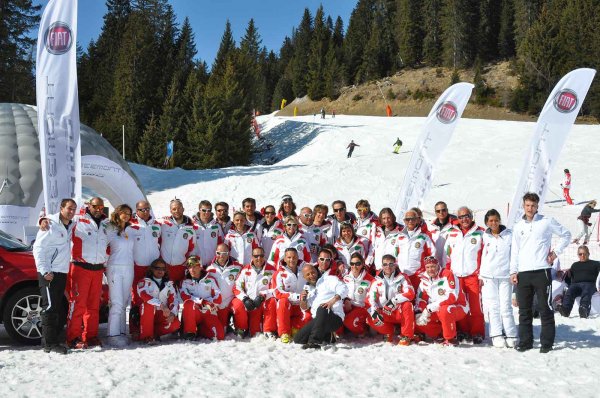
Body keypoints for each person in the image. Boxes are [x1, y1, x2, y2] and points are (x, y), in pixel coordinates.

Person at [510, 192, 571, 353]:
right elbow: (514, 251)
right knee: (524, 310)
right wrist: (513, 272)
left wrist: (555, 253)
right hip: (523, 273)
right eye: (527, 205)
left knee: (545, 308)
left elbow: (566, 235)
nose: (530, 208)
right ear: (523, 206)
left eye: (533, 205)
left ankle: (546, 343)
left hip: (542, 271)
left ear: (537, 206)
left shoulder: (546, 221)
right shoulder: (518, 226)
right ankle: (525, 342)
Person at [33, 198, 77, 354]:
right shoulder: (50, 224)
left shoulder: (70, 224)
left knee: (56, 307)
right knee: (49, 307)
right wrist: (45, 270)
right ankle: (50, 344)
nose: (71, 212)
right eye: (69, 208)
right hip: (49, 272)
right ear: (61, 208)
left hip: (61, 271)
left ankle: (49, 341)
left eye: (74, 209)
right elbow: (38, 248)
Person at [65, 197, 110, 349]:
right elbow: (59, 220)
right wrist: (44, 220)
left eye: (101, 207)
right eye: (95, 206)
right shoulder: (77, 219)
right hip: (80, 268)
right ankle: (73, 337)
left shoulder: (106, 224)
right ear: (89, 205)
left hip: (97, 270)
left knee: (93, 306)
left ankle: (90, 336)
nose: (99, 209)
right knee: (78, 304)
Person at [442, 206, 485, 344]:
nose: (464, 219)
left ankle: (477, 332)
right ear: (457, 219)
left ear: (471, 216)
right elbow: (447, 255)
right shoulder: (452, 233)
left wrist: (481, 274)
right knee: (460, 305)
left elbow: (485, 256)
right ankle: (463, 330)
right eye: (461, 217)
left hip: (472, 275)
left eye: (466, 215)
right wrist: (447, 273)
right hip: (456, 276)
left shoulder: (480, 233)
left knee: (475, 306)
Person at [480, 209, 517, 348]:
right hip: (489, 277)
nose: (494, 223)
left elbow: (514, 255)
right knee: (493, 306)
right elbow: (481, 256)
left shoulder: (509, 235)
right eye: (491, 221)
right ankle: (496, 334)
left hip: (505, 276)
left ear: (500, 220)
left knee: (506, 306)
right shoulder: (484, 236)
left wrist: (514, 272)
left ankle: (511, 334)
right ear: (486, 222)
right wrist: (481, 274)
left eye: (496, 220)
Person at [414, 256, 468, 346]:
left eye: (432, 266)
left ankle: (450, 339)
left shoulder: (447, 274)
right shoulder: (424, 279)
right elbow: (421, 298)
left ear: (437, 265)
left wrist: (429, 308)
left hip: (458, 306)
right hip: (436, 309)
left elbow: (452, 297)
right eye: (427, 267)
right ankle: (439, 334)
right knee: (418, 319)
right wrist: (419, 312)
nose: (430, 269)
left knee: (445, 310)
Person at [294, 264, 348, 349]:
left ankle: (314, 342)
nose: (311, 276)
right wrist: (303, 299)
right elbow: (304, 307)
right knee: (298, 339)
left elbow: (344, 288)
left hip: (334, 318)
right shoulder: (308, 289)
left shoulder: (328, 279)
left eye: (313, 272)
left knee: (322, 307)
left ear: (316, 271)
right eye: (308, 274)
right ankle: (328, 336)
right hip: (319, 321)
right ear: (304, 277)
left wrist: (331, 302)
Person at [366, 254, 416, 345]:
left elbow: (410, 293)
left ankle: (406, 336)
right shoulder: (377, 280)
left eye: (390, 264)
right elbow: (370, 298)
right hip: (384, 312)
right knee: (370, 317)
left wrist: (393, 301)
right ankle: (389, 332)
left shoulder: (402, 277)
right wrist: (374, 310)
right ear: (382, 266)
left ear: (395, 265)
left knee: (408, 305)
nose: (388, 267)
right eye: (385, 264)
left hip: (398, 312)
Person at [105, 204, 135, 346]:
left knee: (124, 301)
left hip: (128, 267)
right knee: (116, 302)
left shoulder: (128, 229)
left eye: (129, 213)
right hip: (115, 268)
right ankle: (113, 334)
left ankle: (122, 332)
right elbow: (101, 245)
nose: (126, 215)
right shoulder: (109, 228)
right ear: (117, 213)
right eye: (124, 212)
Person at [231, 247, 278, 338]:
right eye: (256, 256)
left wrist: (263, 296)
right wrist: (245, 299)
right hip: (249, 303)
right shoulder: (245, 270)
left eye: (261, 256)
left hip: (263, 302)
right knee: (237, 304)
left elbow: (275, 289)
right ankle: (241, 328)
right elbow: (237, 287)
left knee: (272, 301)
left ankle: (269, 330)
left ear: (264, 256)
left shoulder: (272, 270)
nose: (259, 258)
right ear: (252, 257)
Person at [179, 256, 224, 341]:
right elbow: (185, 296)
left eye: (195, 266)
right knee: (188, 304)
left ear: (200, 267)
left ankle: (200, 330)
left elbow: (218, 297)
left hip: (208, 311)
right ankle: (190, 332)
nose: (192, 270)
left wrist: (208, 303)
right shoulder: (185, 281)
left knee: (219, 336)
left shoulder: (210, 279)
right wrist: (203, 301)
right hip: (194, 311)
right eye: (189, 267)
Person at [136, 258, 181, 344]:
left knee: (176, 324)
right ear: (152, 269)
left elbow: (174, 300)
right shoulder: (144, 282)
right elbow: (144, 295)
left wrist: (172, 313)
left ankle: (154, 333)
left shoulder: (169, 284)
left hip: (162, 313)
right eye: (157, 268)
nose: (160, 271)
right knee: (147, 305)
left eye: (163, 269)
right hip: (147, 314)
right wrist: (160, 305)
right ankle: (147, 336)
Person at [272, 248, 311, 343]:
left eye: (294, 257)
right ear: (284, 259)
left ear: (298, 258)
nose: (291, 260)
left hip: (302, 305)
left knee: (311, 315)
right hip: (287, 306)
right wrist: (297, 296)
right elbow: (277, 292)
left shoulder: (305, 269)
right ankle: (284, 333)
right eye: (289, 257)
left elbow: (312, 283)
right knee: (282, 301)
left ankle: (294, 328)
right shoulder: (279, 273)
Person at [205, 243, 243, 332]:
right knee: (222, 330)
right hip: (218, 303)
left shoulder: (238, 267)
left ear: (229, 254)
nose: (221, 256)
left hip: (232, 300)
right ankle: (226, 324)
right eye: (218, 253)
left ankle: (241, 328)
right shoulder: (209, 269)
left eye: (224, 253)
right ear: (215, 253)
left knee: (239, 305)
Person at [396, 209, 436, 288]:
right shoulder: (400, 236)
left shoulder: (424, 237)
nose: (410, 221)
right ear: (404, 221)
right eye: (407, 219)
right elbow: (396, 254)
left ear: (417, 220)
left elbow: (432, 254)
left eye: (413, 219)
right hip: (402, 275)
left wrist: (427, 271)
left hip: (418, 276)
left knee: (418, 299)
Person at [557, 246, 600, 318]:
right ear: (578, 255)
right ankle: (565, 310)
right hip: (576, 285)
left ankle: (584, 309)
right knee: (570, 291)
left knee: (586, 290)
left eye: (584, 253)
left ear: (588, 254)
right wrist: (564, 274)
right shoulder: (575, 265)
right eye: (580, 254)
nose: (582, 255)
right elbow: (568, 277)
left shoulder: (596, 264)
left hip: (590, 284)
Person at [160, 198, 196, 284]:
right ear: (170, 211)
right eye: (174, 209)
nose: (177, 211)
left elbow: (191, 248)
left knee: (180, 291)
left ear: (183, 209)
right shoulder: (163, 224)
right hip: (164, 267)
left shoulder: (190, 228)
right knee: (166, 293)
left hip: (180, 267)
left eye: (179, 208)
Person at [129, 200, 161, 290]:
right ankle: (136, 304)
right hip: (138, 266)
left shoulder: (157, 225)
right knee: (137, 289)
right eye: (142, 210)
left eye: (147, 209)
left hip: (153, 266)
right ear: (137, 211)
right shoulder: (130, 225)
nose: (146, 212)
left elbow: (160, 242)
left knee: (153, 290)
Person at [342, 253, 375, 337]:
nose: (354, 266)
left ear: (363, 264)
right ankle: (340, 332)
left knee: (348, 321)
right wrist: (346, 300)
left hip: (362, 308)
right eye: (352, 264)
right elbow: (341, 293)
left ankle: (363, 329)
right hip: (348, 306)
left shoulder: (370, 279)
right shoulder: (346, 278)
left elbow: (373, 299)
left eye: (357, 264)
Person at [368, 208, 404, 272]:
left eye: (388, 218)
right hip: (378, 270)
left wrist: (397, 266)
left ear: (392, 217)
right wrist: (368, 263)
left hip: (393, 270)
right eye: (384, 218)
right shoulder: (378, 232)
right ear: (381, 220)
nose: (386, 220)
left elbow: (402, 252)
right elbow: (372, 249)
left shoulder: (400, 233)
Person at [192, 200, 223, 266]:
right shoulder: (192, 225)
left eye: (209, 210)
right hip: (196, 265)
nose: (206, 212)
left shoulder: (216, 226)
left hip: (213, 264)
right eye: (204, 210)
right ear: (199, 210)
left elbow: (221, 244)